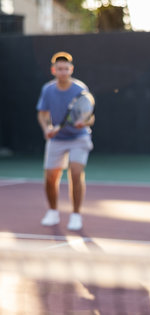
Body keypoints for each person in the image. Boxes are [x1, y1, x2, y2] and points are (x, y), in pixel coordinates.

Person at [37, 51, 94, 231]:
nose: (63, 72)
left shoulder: (80, 90)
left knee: (76, 173)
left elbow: (90, 118)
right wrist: (47, 128)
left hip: (79, 137)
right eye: (59, 69)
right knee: (50, 177)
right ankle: (53, 212)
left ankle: (76, 214)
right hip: (57, 139)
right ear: (54, 70)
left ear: (71, 69)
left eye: (66, 69)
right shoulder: (48, 89)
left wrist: (82, 123)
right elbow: (43, 113)